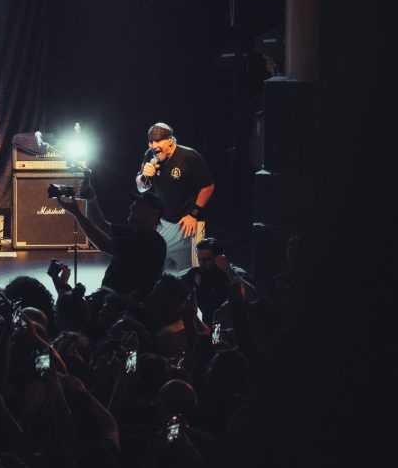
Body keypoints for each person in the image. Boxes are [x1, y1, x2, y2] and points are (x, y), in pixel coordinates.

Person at [56, 183, 167, 297]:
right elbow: (100, 224)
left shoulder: (151, 241)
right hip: (113, 301)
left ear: (154, 213)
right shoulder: (135, 234)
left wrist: (77, 213)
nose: (132, 207)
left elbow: (104, 245)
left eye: (138, 204)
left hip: (122, 304)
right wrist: (91, 199)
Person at [135, 122, 215, 272]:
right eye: (151, 142)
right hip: (163, 221)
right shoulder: (150, 155)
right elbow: (141, 188)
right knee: (158, 268)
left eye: (158, 141)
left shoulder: (189, 156)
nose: (154, 146)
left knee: (189, 272)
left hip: (187, 223)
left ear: (170, 141)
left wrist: (194, 214)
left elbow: (208, 186)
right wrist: (144, 176)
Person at [181, 237, 256, 324]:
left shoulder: (234, 272)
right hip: (209, 325)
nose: (202, 263)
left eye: (206, 259)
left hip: (233, 325)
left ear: (219, 258)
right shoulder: (196, 274)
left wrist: (228, 271)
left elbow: (253, 296)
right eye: (199, 259)